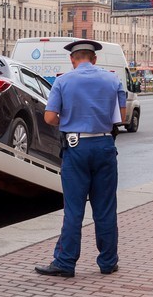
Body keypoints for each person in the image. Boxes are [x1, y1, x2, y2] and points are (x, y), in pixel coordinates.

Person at [35, 39, 126, 278]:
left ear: (72, 59)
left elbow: (49, 118)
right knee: (105, 208)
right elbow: (122, 117)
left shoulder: (63, 81)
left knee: (74, 209)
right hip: (105, 145)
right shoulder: (113, 80)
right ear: (94, 59)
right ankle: (108, 262)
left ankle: (65, 262)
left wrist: (70, 119)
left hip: (76, 148)